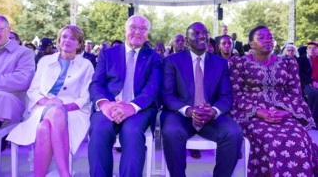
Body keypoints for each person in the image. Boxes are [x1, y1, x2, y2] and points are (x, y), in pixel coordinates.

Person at [229, 25, 318, 176]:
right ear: (251, 43)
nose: (267, 40)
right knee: (273, 141)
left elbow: (295, 93)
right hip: (252, 114)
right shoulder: (239, 63)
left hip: (285, 112)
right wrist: (258, 112)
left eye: (270, 37)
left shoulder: (288, 63)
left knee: (298, 139)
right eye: (261, 38)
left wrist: (285, 112)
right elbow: (235, 94)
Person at [7, 25, 94, 176]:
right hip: (43, 108)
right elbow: (33, 90)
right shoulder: (45, 61)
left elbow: (85, 97)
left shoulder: (86, 65)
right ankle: (65, 173)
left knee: (44, 129)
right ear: (59, 41)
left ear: (80, 44)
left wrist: (65, 107)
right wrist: (44, 101)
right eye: (64, 37)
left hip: (74, 111)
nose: (67, 40)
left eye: (73, 38)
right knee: (55, 112)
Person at [161, 22, 243, 177]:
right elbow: (167, 95)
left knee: (234, 133)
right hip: (180, 115)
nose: (202, 36)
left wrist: (214, 111)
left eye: (205, 33)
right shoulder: (172, 61)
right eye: (196, 33)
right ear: (186, 41)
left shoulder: (220, 63)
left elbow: (226, 96)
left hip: (210, 117)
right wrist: (189, 110)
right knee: (171, 132)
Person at [88, 15, 162, 177]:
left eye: (142, 29)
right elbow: (96, 84)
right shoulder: (108, 54)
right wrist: (105, 104)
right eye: (133, 28)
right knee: (100, 129)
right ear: (125, 30)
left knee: (132, 131)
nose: (137, 32)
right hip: (109, 106)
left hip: (140, 109)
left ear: (147, 34)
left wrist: (131, 107)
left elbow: (152, 89)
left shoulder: (154, 57)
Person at [0, 13, 35, 151]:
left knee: (1, 97)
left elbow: (22, 80)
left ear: (8, 30)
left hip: (6, 108)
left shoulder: (23, 53)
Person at [297, 41, 318, 126]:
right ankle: (313, 119)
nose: (312, 50)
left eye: (314, 48)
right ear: (306, 50)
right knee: (314, 93)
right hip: (306, 83)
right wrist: (312, 82)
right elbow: (300, 74)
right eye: (309, 48)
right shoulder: (301, 59)